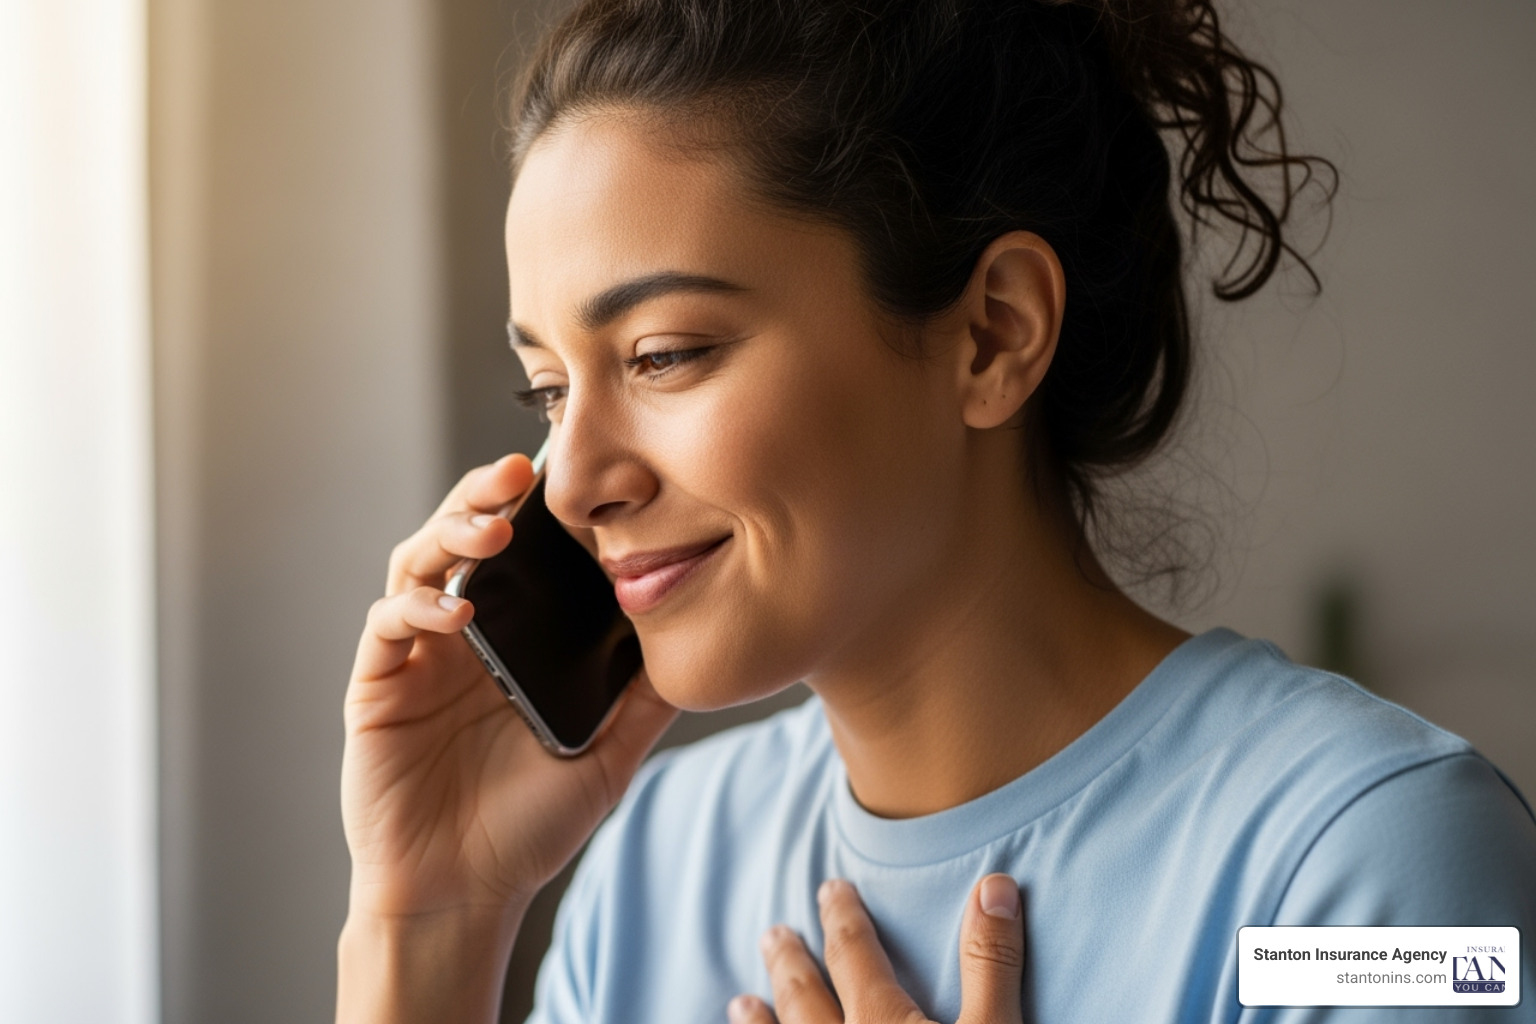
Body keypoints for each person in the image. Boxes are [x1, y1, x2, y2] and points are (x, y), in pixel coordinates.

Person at [335, 1, 1536, 1021]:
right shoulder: (653, 871)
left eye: (665, 354)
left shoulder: (1376, 868)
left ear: (992, 332)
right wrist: (427, 922)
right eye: (550, 388)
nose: (573, 477)